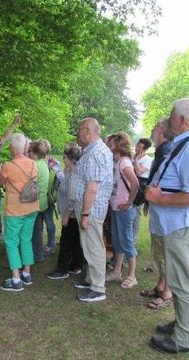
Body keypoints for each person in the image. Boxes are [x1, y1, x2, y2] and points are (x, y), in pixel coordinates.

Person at [146, 98, 189, 354]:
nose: (168, 120)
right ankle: (181, 324)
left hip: (184, 227)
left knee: (185, 284)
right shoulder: (185, 145)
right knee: (178, 281)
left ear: (183, 120)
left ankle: (184, 339)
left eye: (172, 116)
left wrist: (158, 198)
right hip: (176, 227)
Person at [69, 118, 113, 302]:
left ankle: (97, 289)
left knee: (94, 247)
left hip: (91, 210)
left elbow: (92, 188)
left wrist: (85, 214)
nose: (77, 135)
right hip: (89, 208)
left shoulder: (95, 153)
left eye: (79, 131)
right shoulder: (93, 150)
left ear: (87, 131)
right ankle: (91, 280)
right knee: (90, 246)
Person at [0, 133, 40, 292]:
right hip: (32, 207)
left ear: (12, 148)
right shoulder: (34, 164)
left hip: (15, 210)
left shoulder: (8, 166)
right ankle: (27, 274)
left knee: (11, 241)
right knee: (26, 239)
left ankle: (15, 279)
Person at [140, 118, 174, 309]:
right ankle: (160, 285)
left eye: (154, 127)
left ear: (162, 130)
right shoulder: (162, 150)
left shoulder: (167, 150)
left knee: (165, 253)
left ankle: (166, 292)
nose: (152, 130)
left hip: (166, 214)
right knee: (159, 252)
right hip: (158, 210)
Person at [106, 132, 139, 289]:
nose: (109, 146)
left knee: (127, 241)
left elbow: (135, 183)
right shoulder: (117, 162)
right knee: (118, 241)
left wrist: (128, 203)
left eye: (111, 144)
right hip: (115, 209)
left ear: (118, 145)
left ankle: (132, 276)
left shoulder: (124, 162)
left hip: (124, 211)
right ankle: (117, 271)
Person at [46, 143, 84, 280]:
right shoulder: (69, 171)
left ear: (70, 158)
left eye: (64, 157)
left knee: (66, 241)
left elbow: (73, 197)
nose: (63, 159)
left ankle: (62, 269)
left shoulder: (75, 173)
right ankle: (76, 265)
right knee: (74, 239)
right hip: (71, 212)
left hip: (72, 213)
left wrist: (66, 215)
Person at [27, 140, 50, 262]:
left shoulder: (35, 166)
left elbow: (30, 188)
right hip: (41, 202)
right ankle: (38, 254)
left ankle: (36, 255)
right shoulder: (42, 163)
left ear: (35, 153)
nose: (27, 153)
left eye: (29, 151)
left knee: (34, 231)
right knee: (38, 230)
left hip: (34, 203)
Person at [41, 139, 64, 256]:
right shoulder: (54, 162)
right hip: (48, 198)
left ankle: (49, 244)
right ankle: (50, 245)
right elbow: (62, 179)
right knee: (48, 221)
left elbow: (61, 179)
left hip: (42, 199)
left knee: (44, 222)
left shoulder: (36, 162)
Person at [132, 138, 153, 245]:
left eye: (140, 147)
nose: (137, 149)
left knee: (136, 213)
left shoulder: (148, 160)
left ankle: (133, 241)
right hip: (130, 186)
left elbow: (140, 172)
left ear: (145, 149)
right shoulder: (132, 156)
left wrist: (136, 161)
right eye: (137, 146)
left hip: (140, 188)